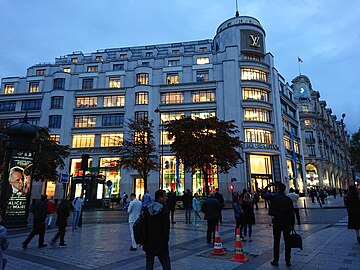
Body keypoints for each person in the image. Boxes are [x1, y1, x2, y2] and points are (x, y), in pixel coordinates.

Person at [143, 189, 171, 270]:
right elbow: (166, 228)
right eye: (165, 196)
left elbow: (144, 225)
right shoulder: (164, 209)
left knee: (149, 263)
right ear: (160, 197)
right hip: (161, 242)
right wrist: (165, 240)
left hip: (148, 241)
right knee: (166, 264)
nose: (166, 198)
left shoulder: (148, 209)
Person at [268, 183, 295, 267]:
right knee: (287, 242)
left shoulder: (274, 198)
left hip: (277, 222)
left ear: (277, 189)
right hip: (286, 223)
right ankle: (288, 260)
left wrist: (268, 187)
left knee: (276, 241)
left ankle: (276, 260)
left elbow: (263, 194)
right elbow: (291, 214)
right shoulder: (288, 200)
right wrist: (292, 225)